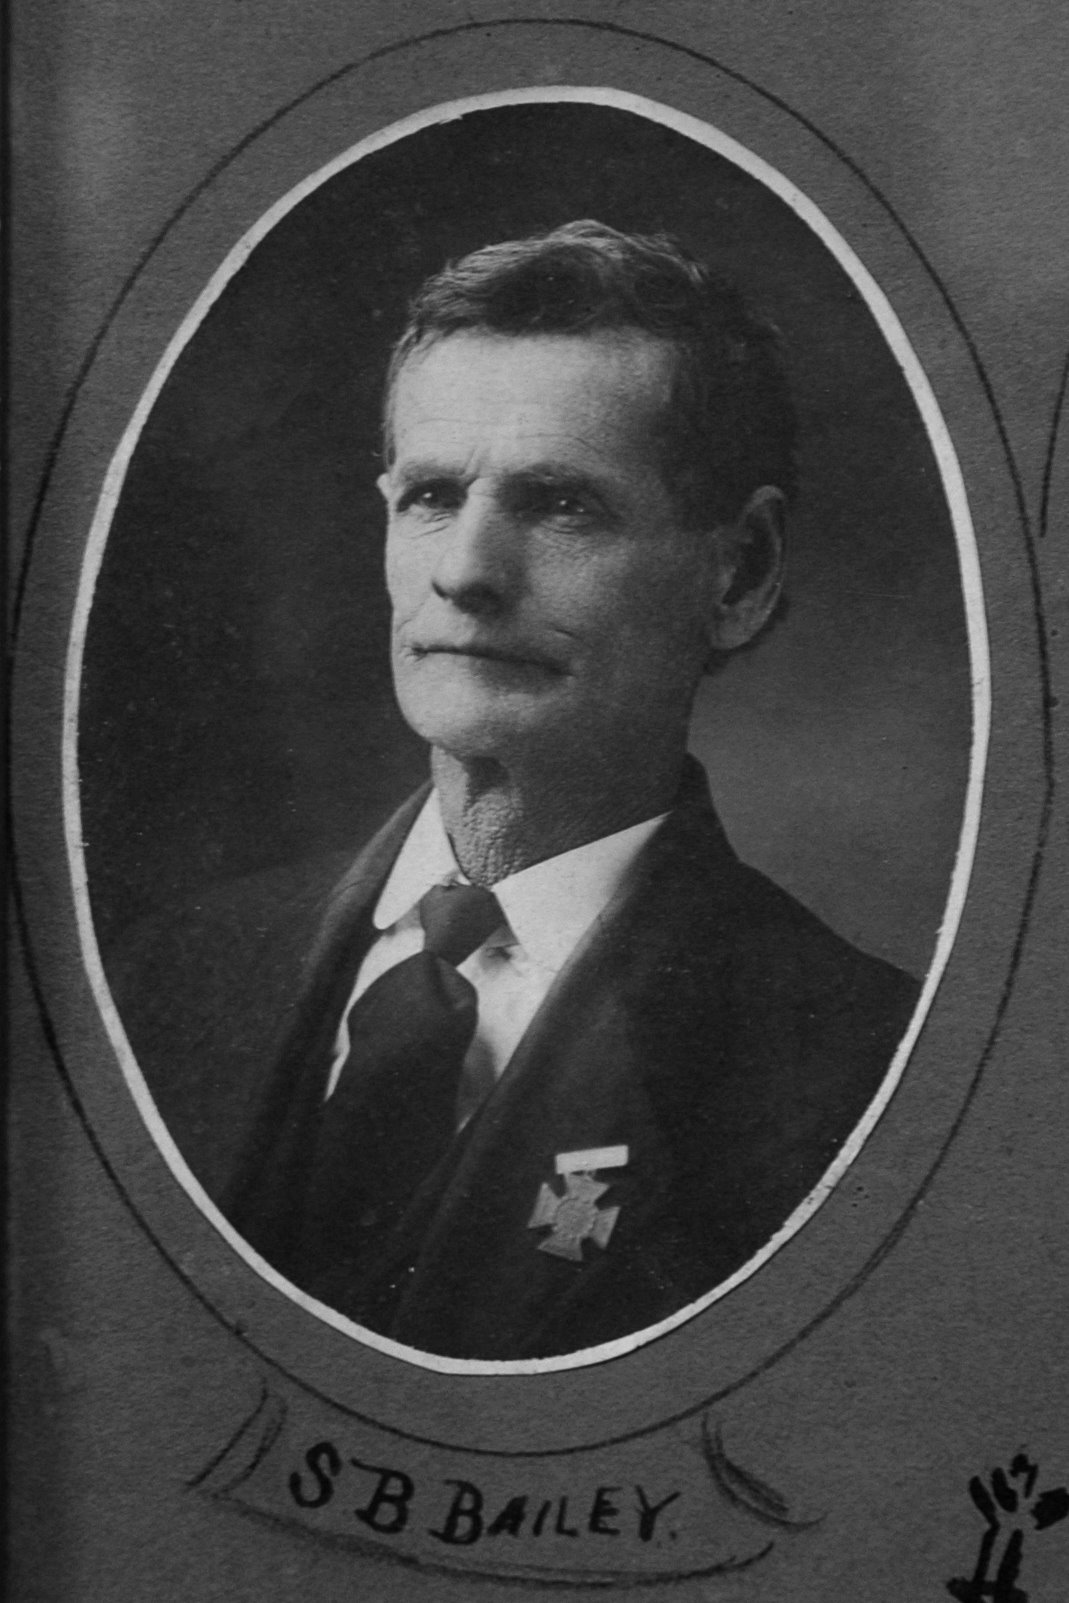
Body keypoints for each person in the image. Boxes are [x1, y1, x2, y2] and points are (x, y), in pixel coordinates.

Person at [112, 221, 919, 1361]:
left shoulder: (860, 1075)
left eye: (560, 505)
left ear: (739, 571)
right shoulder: (172, 974)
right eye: (432, 496)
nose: (465, 572)